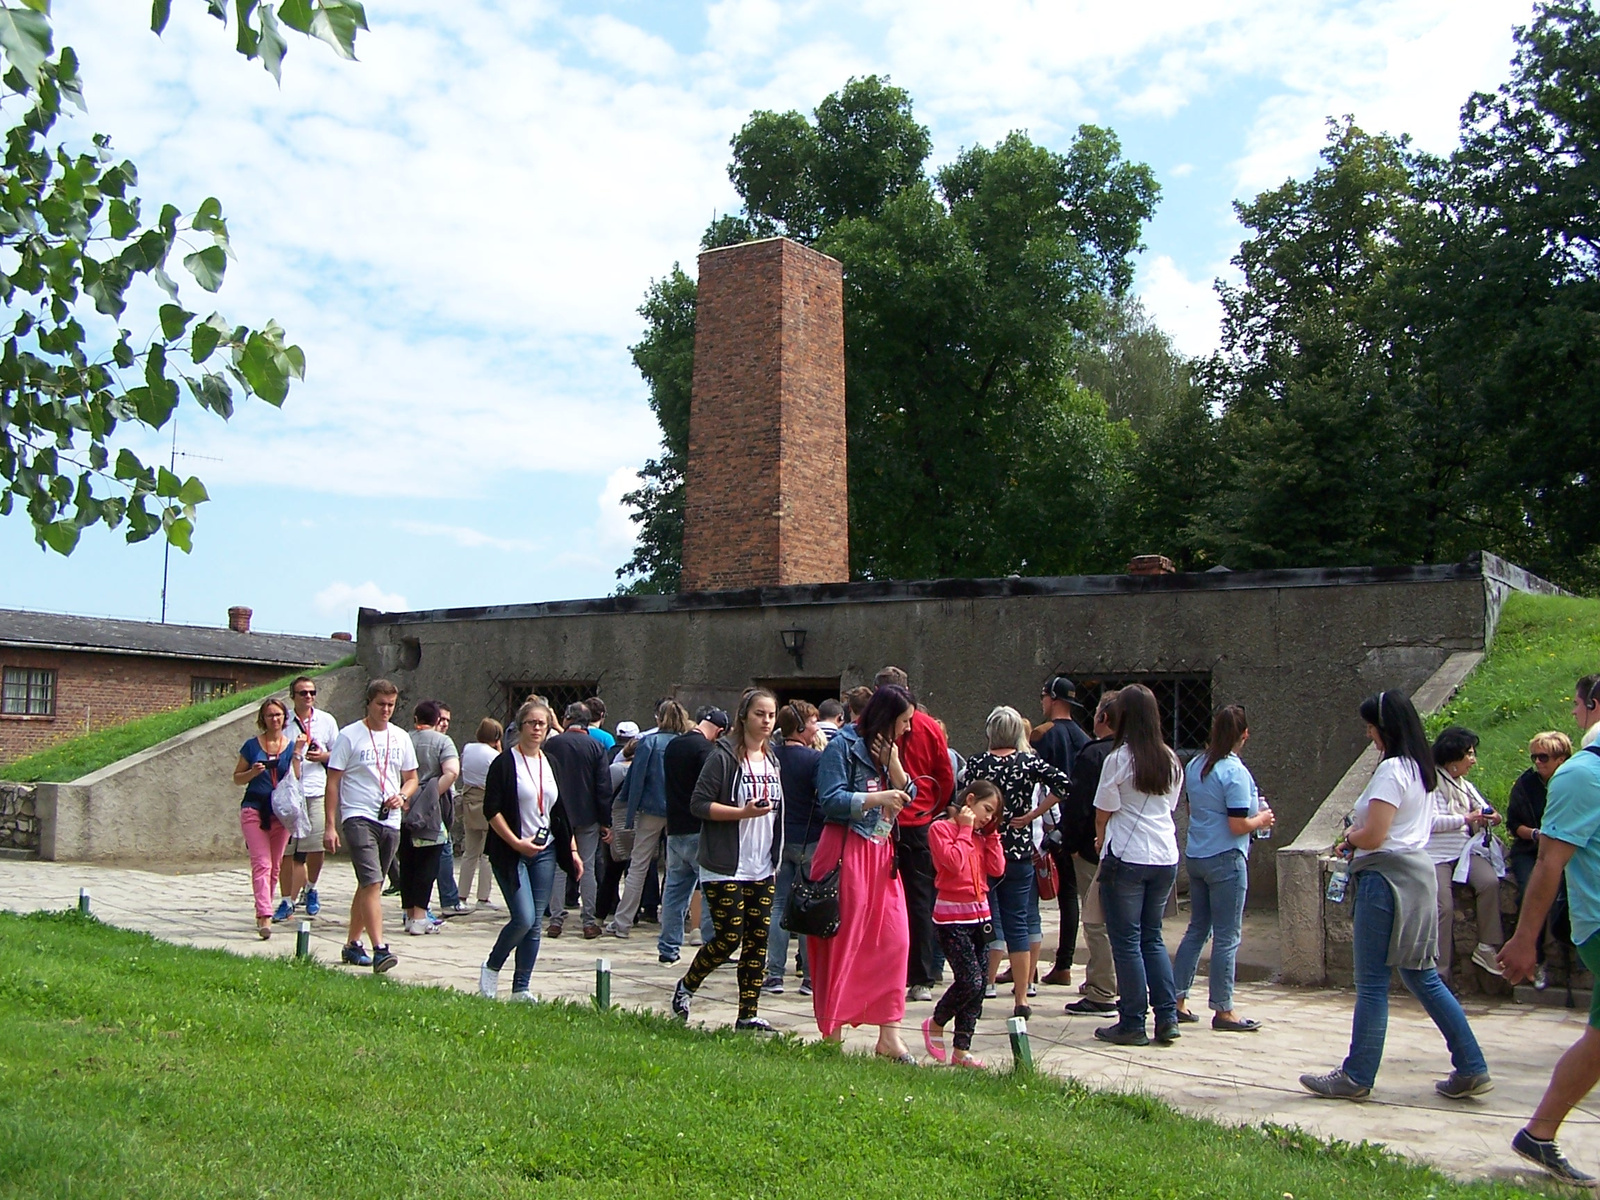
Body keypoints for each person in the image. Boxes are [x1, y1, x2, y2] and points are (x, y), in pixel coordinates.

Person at [1299, 689, 1490, 1100]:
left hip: (1385, 878)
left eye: (1371, 727)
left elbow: (1376, 834)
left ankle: (1356, 1075)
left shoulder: (1391, 771)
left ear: (1385, 728)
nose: (1369, 735)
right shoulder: (1421, 769)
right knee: (1422, 976)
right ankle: (1471, 1065)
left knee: (1371, 982)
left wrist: (1351, 836)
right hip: (1417, 876)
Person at [1498, 708, 1600, 1185]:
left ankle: (1539, 1133)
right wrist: (1524, 939)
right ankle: (1538, 1132)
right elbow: (1547, 864)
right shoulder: (1582, 774)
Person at [811, 685, 917, 1061]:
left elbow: (912, 794)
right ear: (887, 718)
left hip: (881, 852)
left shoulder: (890, 750)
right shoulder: (842, 745)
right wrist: (877, 798)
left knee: (895, 940)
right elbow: (830, 799)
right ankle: (832, 1033)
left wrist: (896, 768)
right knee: (844, 941)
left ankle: (889, 1034)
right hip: (846, 850)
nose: (906, 730)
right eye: (903, 722)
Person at [672, 688, 785, 1031]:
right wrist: (741, 813)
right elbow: (698, 805)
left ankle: (747, 1014)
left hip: (762, 866)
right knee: (728, 937)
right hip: (724, 866)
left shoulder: (772, 759)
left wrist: (775, 856)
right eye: (759, 714)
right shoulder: (721, 757)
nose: (766, 721)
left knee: (757, 941)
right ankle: (687, 985)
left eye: (771, 715)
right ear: (743, 717)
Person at [961, 705, 1073, 1019]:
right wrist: (1033, 815)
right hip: (1020, 850)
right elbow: (1064, 784)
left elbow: (961, 798)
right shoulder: (1029, 762)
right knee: (1018, 923)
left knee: (984, 921)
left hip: (984, 851)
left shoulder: (978, 763)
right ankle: (1021, 997)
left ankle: (980, 988)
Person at [1090, 685, 1184, 1046]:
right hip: (1164, 855)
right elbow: (1171, 806)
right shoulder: (1170, 759)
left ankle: (1132, 1020)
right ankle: (1167, 1016)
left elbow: (1104, 810)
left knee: (1126, 941)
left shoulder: (1119, 758)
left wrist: (1101, 839)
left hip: (1127, 854)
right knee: (1152, 937)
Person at [1172, 705, 1274, 1031]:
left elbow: (1189, 807)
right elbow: (1238, 823)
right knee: (1228, 936)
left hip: (1198, 854)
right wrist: (1262, 820)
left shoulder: (1195, 764)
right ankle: (1224, 1007)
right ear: (1244, 735)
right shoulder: (1235, 772)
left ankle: (1176, 998)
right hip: (1226, 857)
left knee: (1197, 929)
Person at [477, 699, 583, 1001]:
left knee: (536, 922)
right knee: (522, 917)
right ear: (520, 727)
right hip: (512, 850)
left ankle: (521, 987)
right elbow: (492, 810)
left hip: (545, 849)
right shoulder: (504, 762)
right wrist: (515, 842)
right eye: (532, 723)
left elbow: (560, 810)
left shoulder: (552, 762)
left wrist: (572, 850)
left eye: (543, 724)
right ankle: (492, 965)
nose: (537, 729)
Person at [871, 667, 954, 1004]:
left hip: (885, 816)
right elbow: (945, 775)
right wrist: (933, 808)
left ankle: (888, 970)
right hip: (917, 819)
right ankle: (921, 975)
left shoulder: (874, 726)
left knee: (880, 896)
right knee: (919, 899)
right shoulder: (930, 726)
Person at [325, 679, 418, 974]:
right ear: (369, 703)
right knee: (373, 881)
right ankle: (380, 948)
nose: (386, 710)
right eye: (381, 704)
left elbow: (412, 777)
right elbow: (333, 781)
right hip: (358, 815)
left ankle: (353, 943)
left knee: (369, 884)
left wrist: (402, 795)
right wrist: (330, 823)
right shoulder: (349, 736)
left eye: (391, 705)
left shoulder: (401, 737)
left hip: (390, 818)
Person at [922, 780, 1005, 1069]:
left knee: (980, 986)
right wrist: (966, 830)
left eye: (993, 814)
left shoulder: (983, 835)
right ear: (969, 800)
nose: (987, 817)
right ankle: (936, 1021)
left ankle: (962, 1048)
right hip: (951, 919)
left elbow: (997, 869)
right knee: (970, 979)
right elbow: (953, 863)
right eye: (986, 809)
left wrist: (992, 836)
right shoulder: (941, 829)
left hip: (980, 917)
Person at [1426, 725, 1505, 985]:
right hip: (1437, 855)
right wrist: (1464, 818)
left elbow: (1485, 810)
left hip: (1465, 853)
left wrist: (1492, 817)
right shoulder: (1430, 784)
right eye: (1468, 754)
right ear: (1453, 758)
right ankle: (1440, 975)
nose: (1473, 760)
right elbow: (1429, 822)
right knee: (1443, 907)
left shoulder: (1465, 786)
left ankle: (1486, 946)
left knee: (1489, 882)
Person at [608, 701, 693, 938]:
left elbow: (637, 778)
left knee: (638, 865)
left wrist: (628, 809)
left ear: (659, 719)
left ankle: (623, 922)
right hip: (679, 812)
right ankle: (673, 922)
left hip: (651, 810)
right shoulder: (687, 744)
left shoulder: (649, 742)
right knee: (677, 868)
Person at [1062, 692, 1120, 1016]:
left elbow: (1081, 805)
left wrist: (1070, 843)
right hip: (1136, 851)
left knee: (1096, 921)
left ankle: (1102, 989)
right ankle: (1118, 981)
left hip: (1094, 848)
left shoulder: (1095, 755)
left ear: (1104, 719)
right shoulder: (1148, 755)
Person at [231, 697, 306, 939]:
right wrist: (252, 772)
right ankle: (264, 914)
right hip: (255, 808)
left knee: (274, 865)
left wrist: (296, 755)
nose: (275, 719)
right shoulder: (251, 747)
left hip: (281, 813)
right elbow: (237, 778)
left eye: (278, 715)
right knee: (261, 863)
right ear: (262, 719)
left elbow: (295, 777)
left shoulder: (290, 744)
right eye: (270, 715)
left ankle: (265, 907)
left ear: (285, 718)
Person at [1506, 731, 1574, 989]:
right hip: (1530, 849)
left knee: (1565, 896)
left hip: (1565, 850)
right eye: (1534, 757)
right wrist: (1536, 834)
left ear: (1561, 758)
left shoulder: (1572, 783)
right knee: (1528, 892)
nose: (1538, 762)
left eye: (1543, 757)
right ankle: (1535, 960)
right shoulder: (1525, 784)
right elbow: (1514, 823)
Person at [658, 707, 726, 964]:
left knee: (674, 893)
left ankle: (668, 949)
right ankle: (712, 947)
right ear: (719, 731)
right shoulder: (707, 751)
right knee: (710, 890)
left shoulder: (674, 745)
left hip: (675, 829)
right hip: (700, 828)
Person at [1035, 675, 1090, 986]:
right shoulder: (1083, 738)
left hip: (1045, 824)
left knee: (1030, 894)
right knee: (1069, 895)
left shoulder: (1043, 736)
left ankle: (1025, 961)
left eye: (1044, 696)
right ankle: (1064, 963)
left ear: (1052, 698)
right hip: (1073, 826)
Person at [765, 700, 823, 995]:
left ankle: (774, 973)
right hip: (810, 841)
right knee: (807, 908)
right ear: (800, 727)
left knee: (778, 908)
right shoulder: (814, 760)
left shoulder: (770, 757)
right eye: (813, 722)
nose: (816, 728)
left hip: (779, 842)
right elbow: (825, 798)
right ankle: (810, 978)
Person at [542, 702, 613, 939]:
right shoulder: (596, 746)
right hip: (588, 815)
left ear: (568, 719)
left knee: (559, 867)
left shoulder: (552, 744)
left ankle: (555, 920)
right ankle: (589, 922)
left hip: (559, 814)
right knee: (589, 867)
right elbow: (603, 786)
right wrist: (606, 820)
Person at [276, 675, 336, 921]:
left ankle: (311, 888)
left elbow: (338, 753)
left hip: (316, 788)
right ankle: (286, 899)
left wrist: (322, 756)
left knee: (315, 846)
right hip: (290, 791)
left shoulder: (326, 721)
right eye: (303, 693)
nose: (308, 697)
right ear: (293, 697)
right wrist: (297, 752)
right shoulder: (285, 721)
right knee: (287, 851)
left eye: (312, 692)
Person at [401, 700, 459, 934]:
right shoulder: (443, 742)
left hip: (402, 804)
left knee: (407, 862)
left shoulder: (403, 738)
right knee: (428, 861)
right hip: (431, 812)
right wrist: (432, 794)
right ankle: (419, 916)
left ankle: (407, 913)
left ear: (416, 719)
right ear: (437, 721)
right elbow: (452, 771)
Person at [456, 718, 503, 909]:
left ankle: (461, 895)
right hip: (486, 802)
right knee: (486, 854)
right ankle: (483, 897)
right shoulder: (494, 756)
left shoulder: (468, 749)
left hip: (469, 800)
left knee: (469, 852)